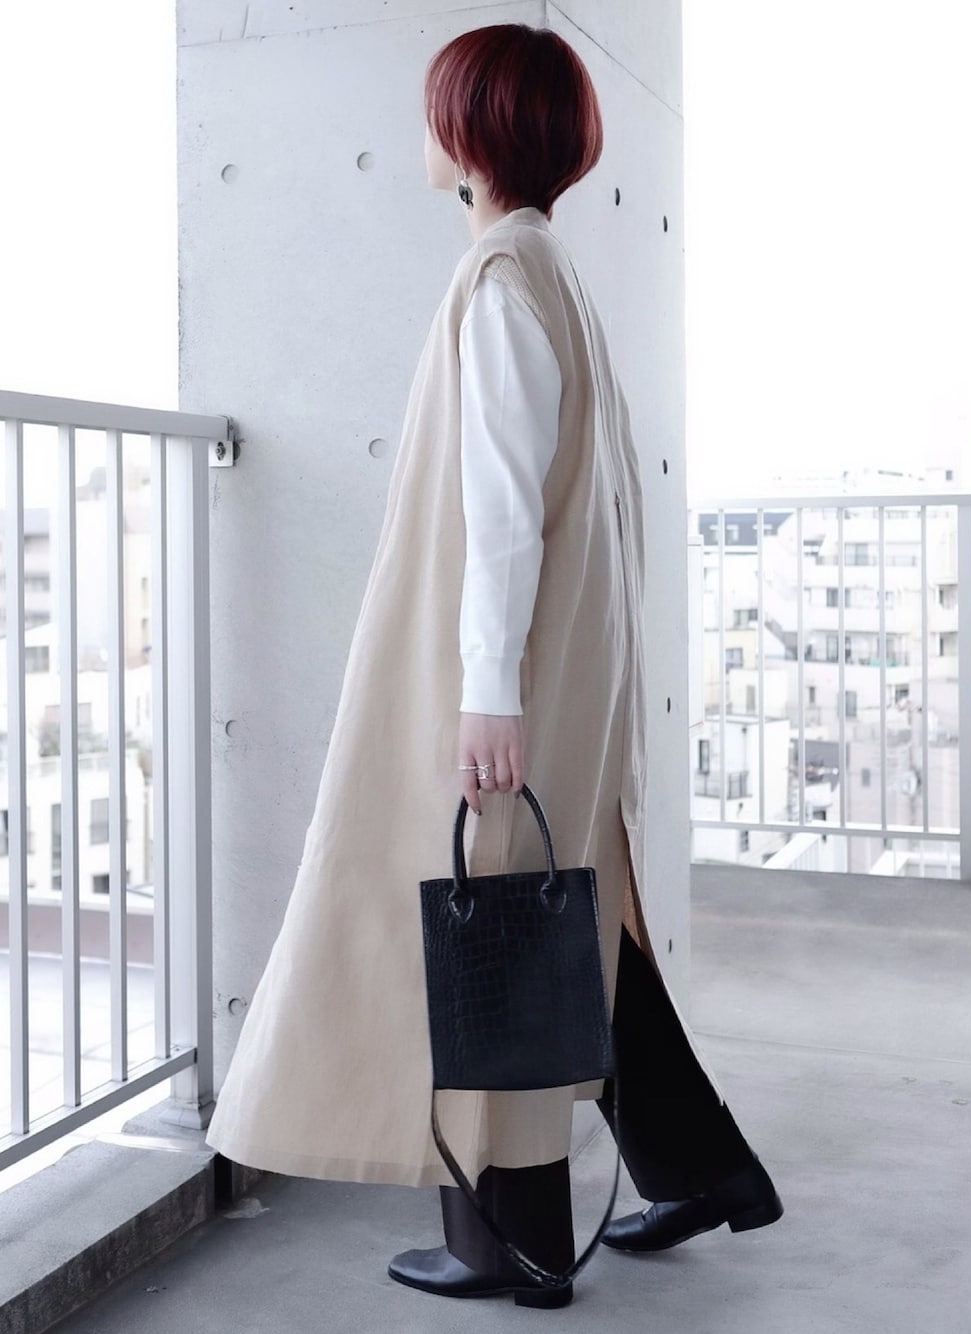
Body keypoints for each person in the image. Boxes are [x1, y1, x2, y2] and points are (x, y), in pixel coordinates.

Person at [205, 21, 782, 1310]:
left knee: (501, 920)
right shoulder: (547, 270)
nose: (423, 131)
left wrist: (486, 693)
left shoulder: (502, 282)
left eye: (437, 110)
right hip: (563, 658)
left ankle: (513, 1247)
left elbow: (505, 512)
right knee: (564, 916)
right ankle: (696, 1168)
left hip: (509, 669)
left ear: (471, 135)